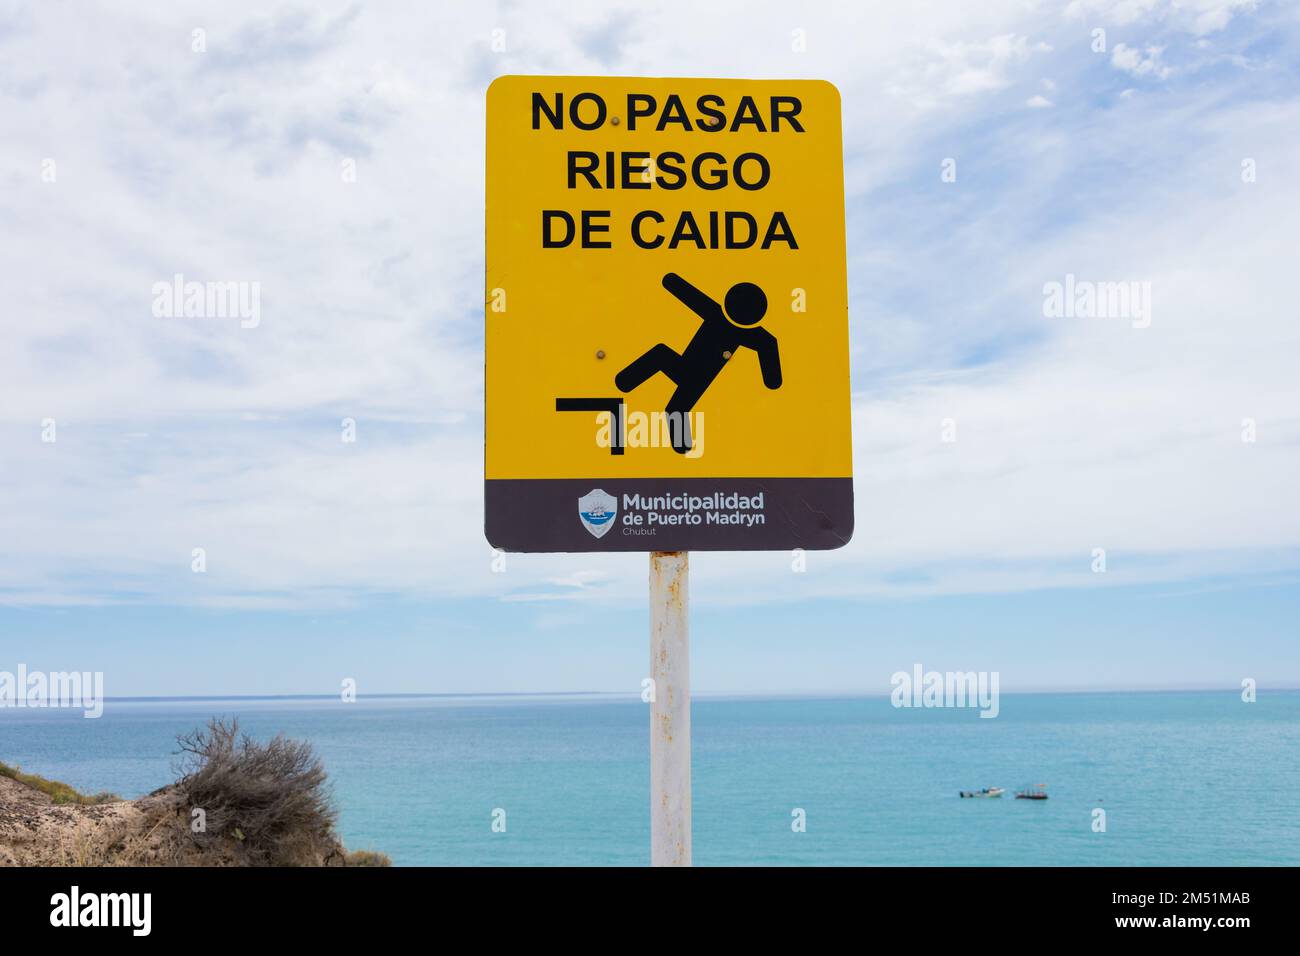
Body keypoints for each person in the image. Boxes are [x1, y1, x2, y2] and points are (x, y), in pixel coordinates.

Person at [615, 273, 782, 453]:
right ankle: (624, 382)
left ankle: (681, 445)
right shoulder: (725, 319)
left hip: (698, 377)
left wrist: (772, 378)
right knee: (663, 365)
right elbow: (677, 287)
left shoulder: (726, 320)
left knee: (674, 403)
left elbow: (675, 284)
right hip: (691, 370)